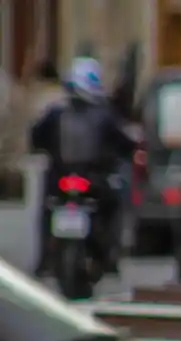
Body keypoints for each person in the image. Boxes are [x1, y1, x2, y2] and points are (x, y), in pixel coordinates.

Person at [30, 57, 135, 277]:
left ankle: (45, 260)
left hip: (65, 177)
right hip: (89, 178)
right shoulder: (102, 113)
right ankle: (107, 257)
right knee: (113, 202)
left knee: (48, 208)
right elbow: (124, 141)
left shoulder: (57, 112)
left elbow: (36, 138)